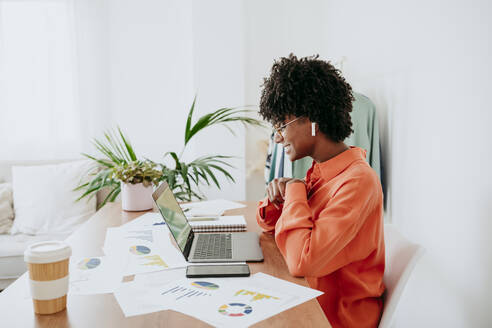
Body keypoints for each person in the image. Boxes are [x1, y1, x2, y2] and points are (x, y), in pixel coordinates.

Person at [256, 54, 385, 328]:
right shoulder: (320, 170)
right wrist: (279, 198)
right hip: (310, 298)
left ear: (313, 120)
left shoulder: (358, 181)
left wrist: (293, 193)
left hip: (335, 318)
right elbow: (274, 229)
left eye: (282, 124)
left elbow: (303, 260)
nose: (278, 136)